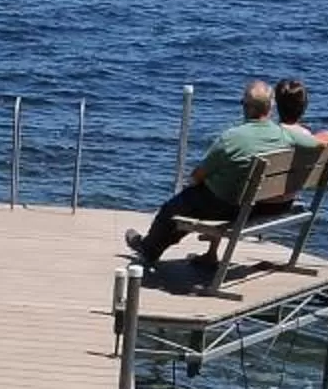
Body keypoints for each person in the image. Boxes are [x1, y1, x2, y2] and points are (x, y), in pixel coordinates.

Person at [124, 80, 306, 265]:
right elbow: (311, 142)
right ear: (270, 108)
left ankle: (148, 249)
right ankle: (161, 250)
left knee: (174, 208)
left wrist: (195, 182)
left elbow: (198, 175)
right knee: (191, 203)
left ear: (247, 108)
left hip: (226, 207)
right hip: (253, 206)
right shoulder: (285, 136)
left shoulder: (232, 138)